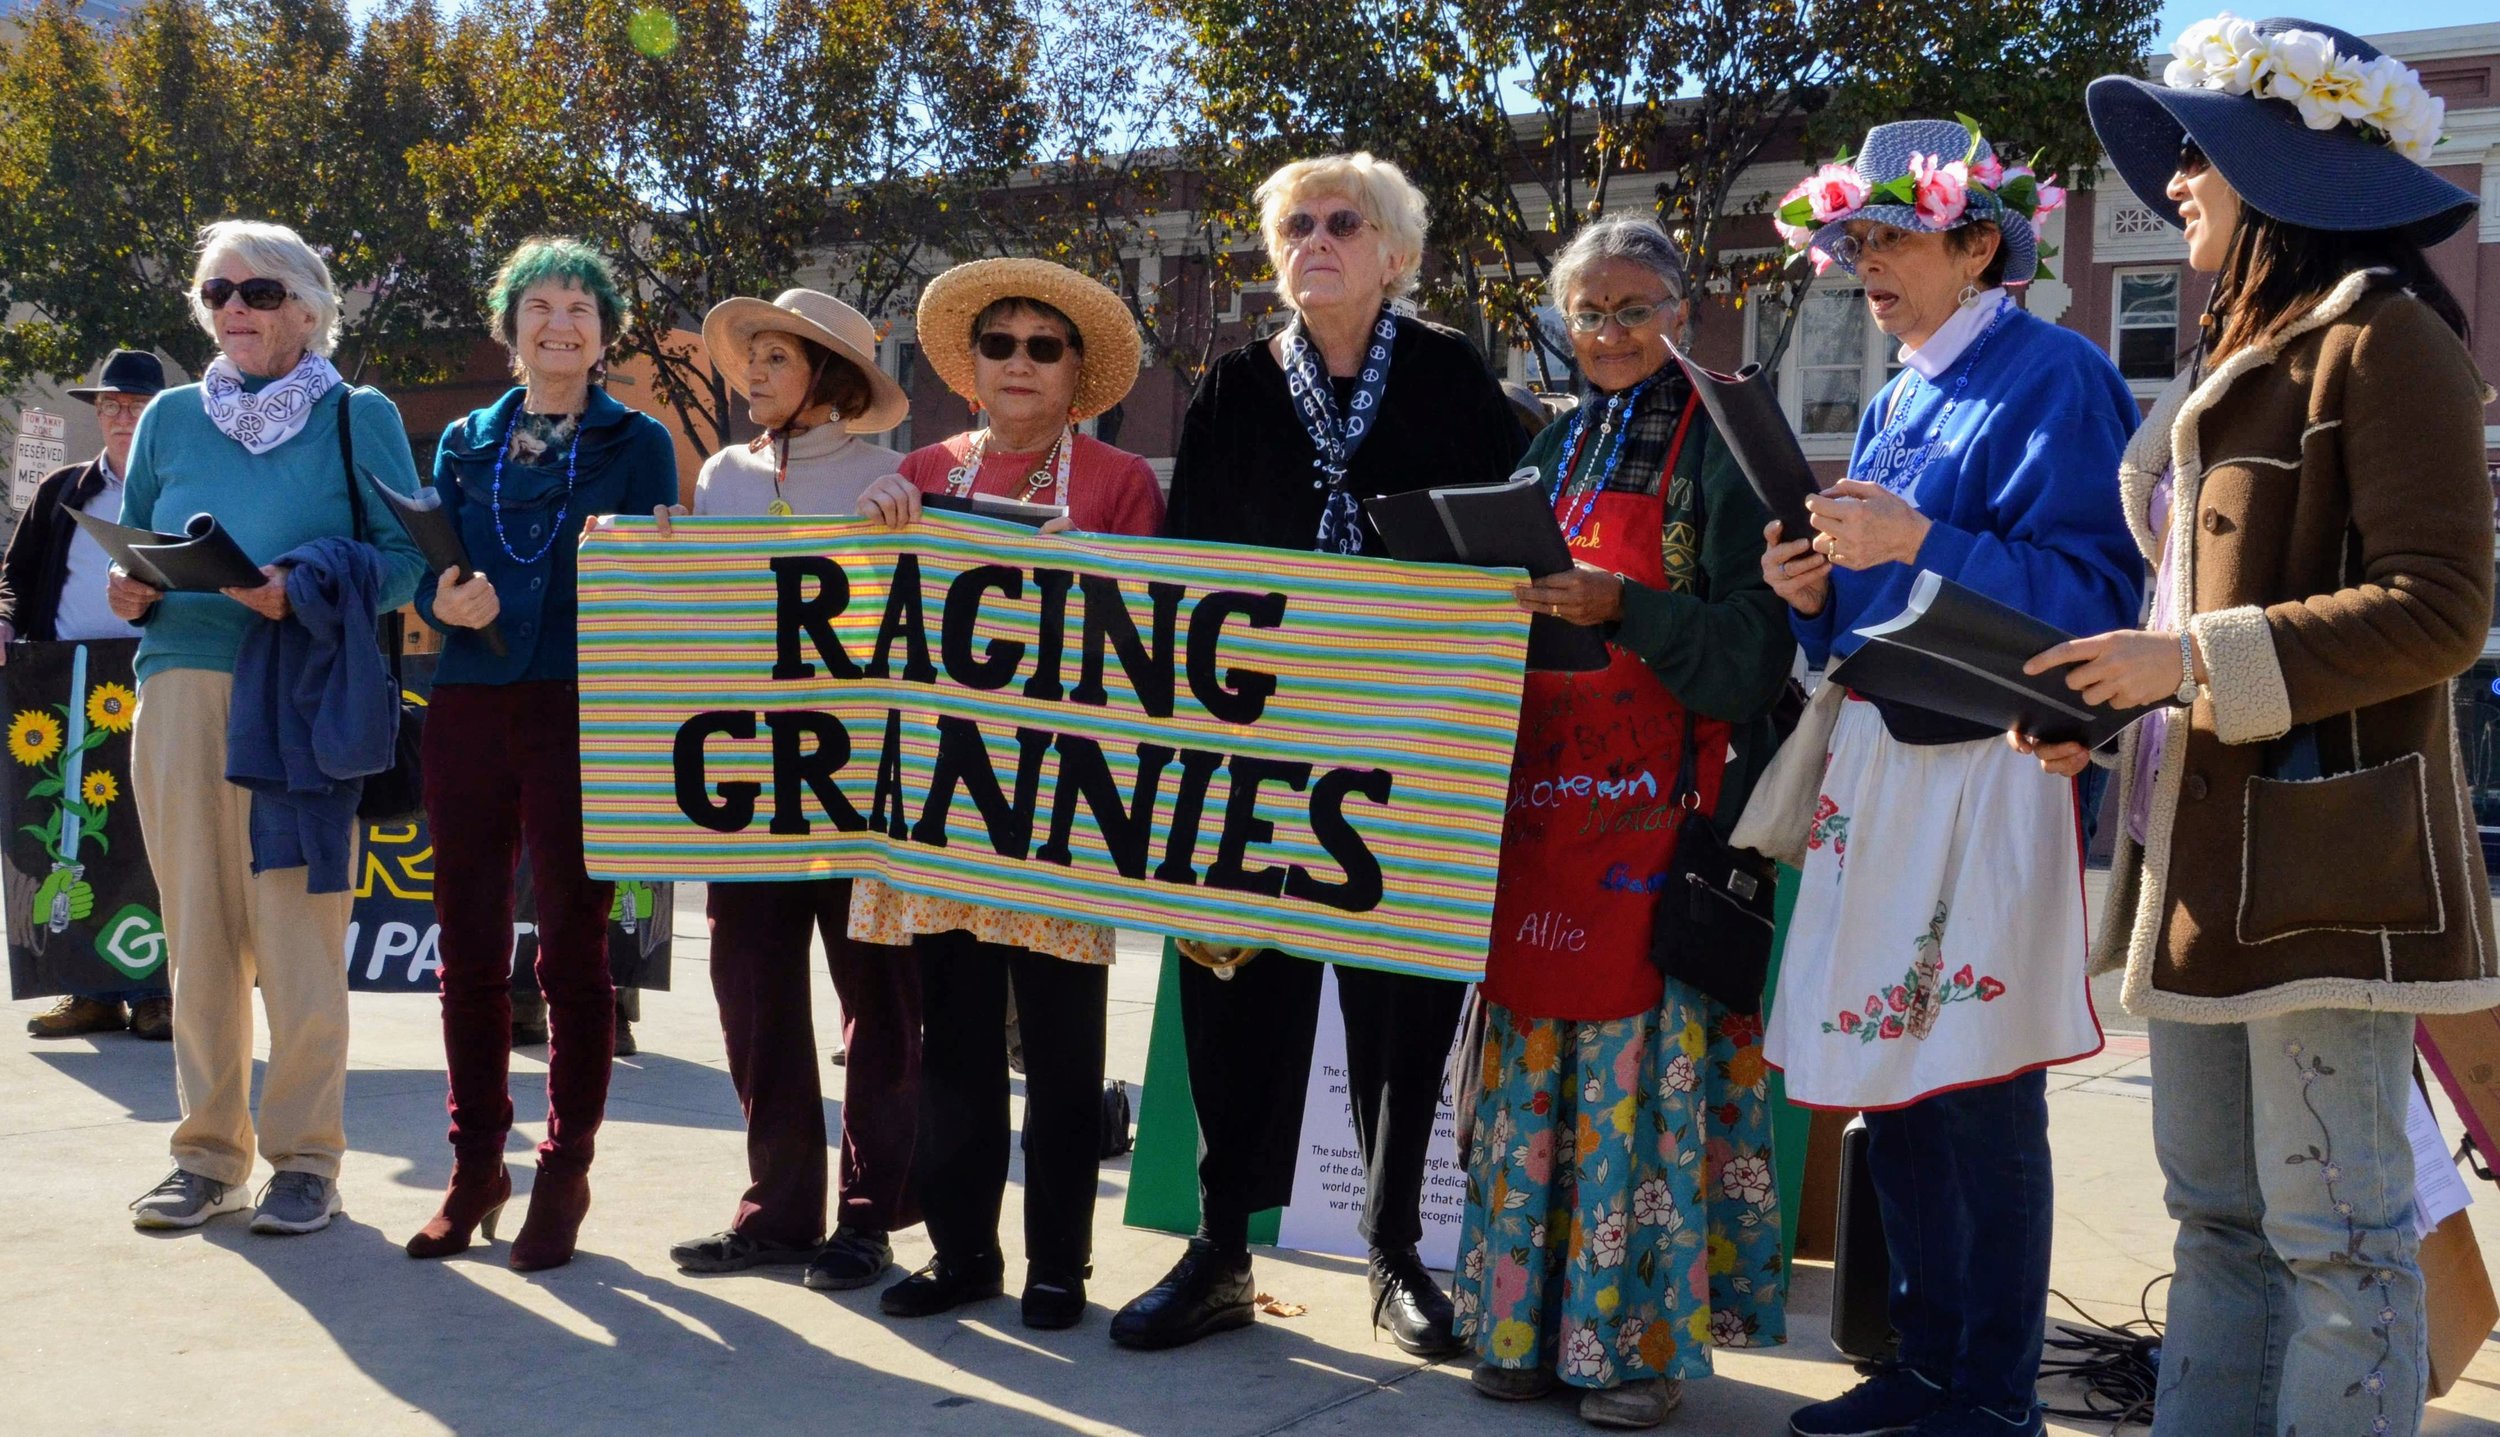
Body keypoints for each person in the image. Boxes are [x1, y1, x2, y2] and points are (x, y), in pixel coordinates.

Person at [2016, 23, 2491, 1436]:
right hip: (2198, 861)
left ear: (2279, 163)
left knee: (2341, 1240)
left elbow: (2440, 610)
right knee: (2217, 1225)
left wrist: (2181, 663)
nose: (2175, 185)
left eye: (2199, 153)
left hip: (2328, 878)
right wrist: (2103, 712)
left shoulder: (2385, 339)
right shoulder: (2244, 350)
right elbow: (2185, 606)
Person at [1754, 121, 2140, 1437]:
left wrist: (1917, 534)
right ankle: (1924, 1361)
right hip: (1890, 757)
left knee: (1977, 1085)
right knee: (1892, 1078)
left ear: (1979, 244)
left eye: (1892, 233)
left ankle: (1990, 1391)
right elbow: (1867, 610)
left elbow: (2097, 598)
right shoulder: (1894, 393)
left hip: (1995, 766)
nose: (1864, 259)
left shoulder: (2062, 379)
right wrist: (1809, 597)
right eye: (1855, 235)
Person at [1111, 152, 1527, 1355]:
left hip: (1409, 750)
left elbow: (1498, 544)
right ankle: (1221, 1248)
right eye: (1296, 225)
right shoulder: (1237, 382)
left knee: (1403, 1001)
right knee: (1238, 990)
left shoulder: (1451, 378)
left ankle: (1396, 1253)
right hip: (1254, 752)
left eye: (1345, 223)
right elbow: (1187, 565)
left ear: (1393, 253)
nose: (1318, 241)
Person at [1451, 218, 1793, 1430]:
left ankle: (1633, 1352)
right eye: (1588, 312)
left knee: (1639, 1091)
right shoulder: (1549, 445)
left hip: (1664, 822)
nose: (1608, 333)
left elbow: (1760, 649)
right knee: (1536, 1081)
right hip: (1542, 818)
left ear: (1684, 313)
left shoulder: (1732, 450)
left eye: (1634, 308)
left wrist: (1627, 610)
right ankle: (1520, 1330)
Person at [852, 257, 1163, 1330]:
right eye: (1001, 344)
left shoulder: (1123, 487)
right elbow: (859, 628)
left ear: (1079, 372)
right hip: (940, 801)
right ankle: (961, 1253)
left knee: (1069, 1054)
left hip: (1064, 808)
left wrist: (1113, 579)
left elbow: (1162, 654)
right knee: (957, 1044)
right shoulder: (920, 472)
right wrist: (874, 523)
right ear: (971, 368)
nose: (1020, 361)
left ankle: (1059, 1266)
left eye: (1045, 345)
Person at [116, 219, 426, 1235]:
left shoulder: (359, 413)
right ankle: (205, 1157)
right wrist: (129, 589)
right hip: (179, 687)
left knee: (296, 939)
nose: (234, 311)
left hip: (297, 696)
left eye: (255, 292)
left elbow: (405, 555)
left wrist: (305, 587)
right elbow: (143, 542)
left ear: (306, 305)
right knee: (198, 934)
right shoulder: (168, 417)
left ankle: (306, 1159)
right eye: (216, 294)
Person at [401, 238, 679, 1270]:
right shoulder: (466, 441)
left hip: (582, 707)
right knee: (466, 951)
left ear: (605, 335)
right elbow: (440, 565)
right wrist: (445, 596)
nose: (560, 324)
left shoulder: (637, 439)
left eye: (581, 309)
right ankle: (477, 1167)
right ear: (508, 324)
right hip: (470, 701)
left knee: (571, 949)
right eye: (541, 306)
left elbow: (658, 575)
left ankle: (564, 1170)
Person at [665, 287, 928, 1294]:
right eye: (752, 358)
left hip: (861, 791)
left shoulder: (892, 477)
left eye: (777, 358)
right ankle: (776, 1212)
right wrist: (654, 554)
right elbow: (697, 619)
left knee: (879, 1009)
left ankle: (867, 1221)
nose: (754, 375)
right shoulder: (722, 477)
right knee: (754, 999)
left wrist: (907, 528)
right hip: (746, 784)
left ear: (829, 375)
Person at [6, 349, 171, 1041]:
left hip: (158, 675)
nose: (121, 416)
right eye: (110, 405)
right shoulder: (62, 489)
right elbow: (14, 574)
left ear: (162, 414)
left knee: (157, 840)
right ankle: (90, 991)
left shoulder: (181, 489)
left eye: (135, 405)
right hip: (64, 687)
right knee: (70, 839)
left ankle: (161, 991)